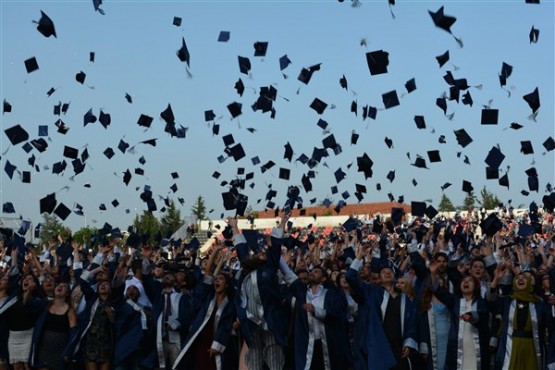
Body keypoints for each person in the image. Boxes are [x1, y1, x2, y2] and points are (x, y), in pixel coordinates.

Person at [230, 213, 290, 370]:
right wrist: (234, 227)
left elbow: (275, 248)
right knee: (254, 361)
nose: (259, 253)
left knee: (275, 361)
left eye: (263, 253)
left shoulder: (269, 269)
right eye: (258, 253)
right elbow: (241, 248)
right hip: (251, 323)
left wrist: (282, 223)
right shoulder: (246, 269)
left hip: (270, 322)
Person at [173, 243, 237, 370]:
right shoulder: (209, 297)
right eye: (216, 279)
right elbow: (208, 273)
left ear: (227, 285)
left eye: (220, 279)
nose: (217, 281)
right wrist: (214, 251)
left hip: (221, 342)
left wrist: (218, 344)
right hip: (202, 340)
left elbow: (228, 326)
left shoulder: (231, 304)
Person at [279, 260, 351, 370]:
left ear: (323, 279)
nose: (312, 273)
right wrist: (275, 245)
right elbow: (287, 273)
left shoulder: (332, 294)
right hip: (307, 344)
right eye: (311, 271)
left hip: (327, 344)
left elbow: (337, 315)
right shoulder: (301, 291)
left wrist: (316, 311)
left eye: (316, 272)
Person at [488, 265, 553, 370]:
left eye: (524, 278)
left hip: (532, 347)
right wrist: (496, 279)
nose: (521, 279)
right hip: (511, 345)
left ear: (529, 282)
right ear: (514, 283)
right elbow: (490, 302)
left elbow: (551, 324)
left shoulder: (539, 304)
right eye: (517, 278)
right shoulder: (507, 301)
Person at [429, 259, 491, 370]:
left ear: (476, 286)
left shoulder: (481, 302)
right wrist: (433, 273)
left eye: (469, 281)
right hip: (457, 348)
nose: (466, 282)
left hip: (477, 348)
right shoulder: (455, 301)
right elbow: (438, 291)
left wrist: (471, 316)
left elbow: (483, 316)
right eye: (463, 281)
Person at [30, 280, 78, 370]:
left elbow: (73, 333)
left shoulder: (70, 310)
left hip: (60, 350)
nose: (60, 287)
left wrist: (68, 351)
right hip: (43, 348)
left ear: (67, 293)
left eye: (64, 286)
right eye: (58, 285)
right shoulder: (45, 305)